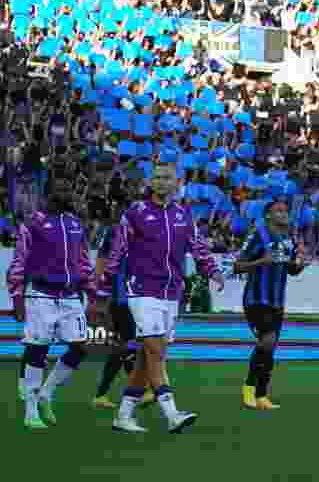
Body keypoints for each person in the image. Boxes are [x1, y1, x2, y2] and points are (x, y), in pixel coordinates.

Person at [94, 162, 225, 434]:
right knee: (155, 350)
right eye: (157, 177)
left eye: (167, 178)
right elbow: (118, 249)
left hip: (172, 293)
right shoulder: (136, 212)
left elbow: (198, 247)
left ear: (176, 183)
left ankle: (123, 415)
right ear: (151, 182)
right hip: (142, 291)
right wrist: (104, 287)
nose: (161, 182)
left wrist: (213, 270)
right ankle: (172, 414)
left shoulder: (183, 214)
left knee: (147, 356)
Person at [7, 170, 94, 430]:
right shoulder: (32, 223)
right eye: (60, 189)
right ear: (48, 193)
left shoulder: (75, 223)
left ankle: (47, 393)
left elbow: (83, 262)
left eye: (68, 189)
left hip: (70, 295)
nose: (65, 194)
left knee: (80, 347)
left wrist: (93, 292)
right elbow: (18, 263)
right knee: (38, 349)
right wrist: (17, 297)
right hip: (40, 294)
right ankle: (31, 410)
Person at [235, 195, 308, 411]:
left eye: (285, 211)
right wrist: (260, 261)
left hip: (277, 301)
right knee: (267, 340)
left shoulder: (289, 239)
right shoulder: (258, 235)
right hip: (256, 299)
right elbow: (238, 266)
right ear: (268, 214)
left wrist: (301, 263)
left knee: (270, 345)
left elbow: (291, 270)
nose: (284, 214)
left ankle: (261, 395)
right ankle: (250, 387)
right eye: (279, 211)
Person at [92, 217, 156, 411]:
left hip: (131, 298)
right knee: (129, 344)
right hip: (122, 300)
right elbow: (102, 262)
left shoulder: (139, 232)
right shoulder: (115, 232)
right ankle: (141, 390)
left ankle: (102, 394)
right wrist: (99, 296)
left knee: (122, 347)